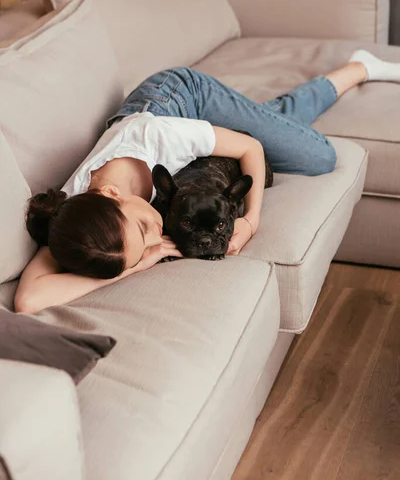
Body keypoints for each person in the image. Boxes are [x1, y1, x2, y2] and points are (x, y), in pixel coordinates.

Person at [14, 49, 399, 314]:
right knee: (278, 123)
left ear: (111, 194)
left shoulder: (158, 137)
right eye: (149, 242)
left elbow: (249, 149)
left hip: (178, 98)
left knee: (318, 156)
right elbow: (29, 301)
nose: (157, 236)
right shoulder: (78, 224)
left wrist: (250, 221)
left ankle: (357, 69)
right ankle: (265, 114)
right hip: (179, 129)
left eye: (147, 227)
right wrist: (136, 264)